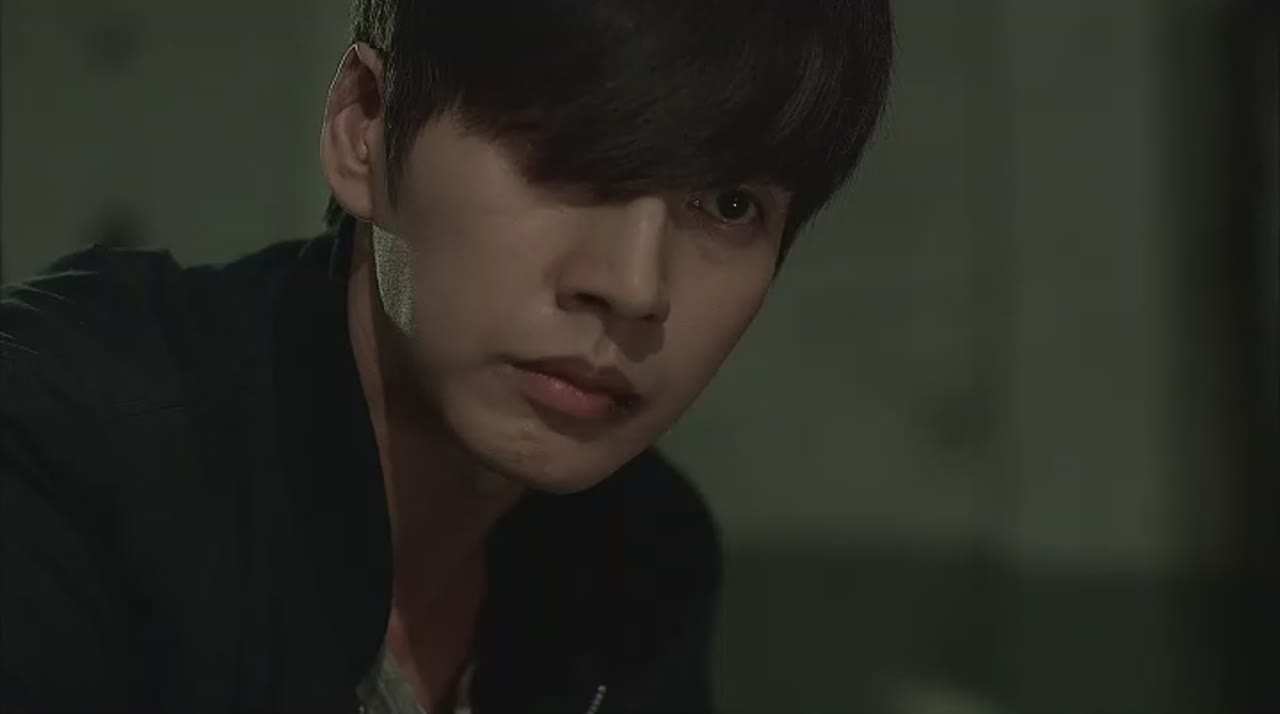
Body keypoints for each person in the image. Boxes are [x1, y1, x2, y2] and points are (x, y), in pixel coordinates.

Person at [0, 1, 893, 712]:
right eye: (564, 150)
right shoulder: (65, 440)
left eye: (730, 206)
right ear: (364, 126)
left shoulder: (644, 557)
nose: (633, 284)